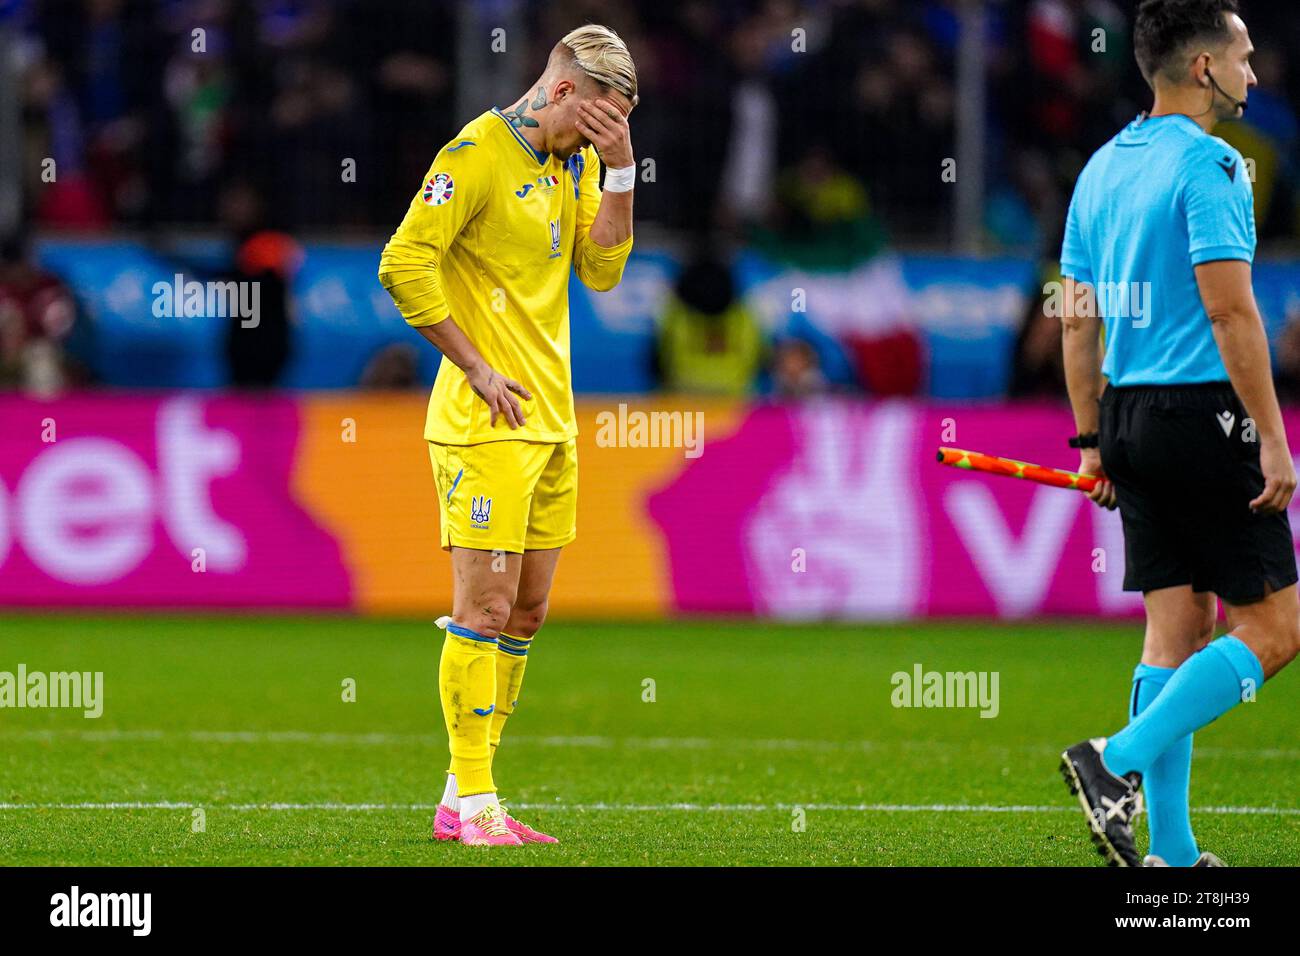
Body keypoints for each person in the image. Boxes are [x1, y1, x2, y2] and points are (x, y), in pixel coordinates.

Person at [378, 25, 638, 847]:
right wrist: (477, 368)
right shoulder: (473, 157)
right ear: (561, 91)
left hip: (551, 420)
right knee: (483, 605)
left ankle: (463, 798)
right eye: (597, 124)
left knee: (526, 612)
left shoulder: (578, 162)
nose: (595, 141)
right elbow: (402, 263)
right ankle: (482, 801)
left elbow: (602, 268)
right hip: (484, 425)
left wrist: (622, 167)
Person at [1057, 0, 1298, 867]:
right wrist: (1271, 436)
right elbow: (1231, 310)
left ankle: (1174, 856)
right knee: (1274, 630)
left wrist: (1091, 441)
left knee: (1178, 629)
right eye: (1244, 55)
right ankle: (1110, 760)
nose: (1254, 74)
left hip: (1127, 414)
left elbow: (1076, 322)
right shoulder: (1215, 165)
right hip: (1205, 416)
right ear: (1203, 69)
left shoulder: (1098, 170)